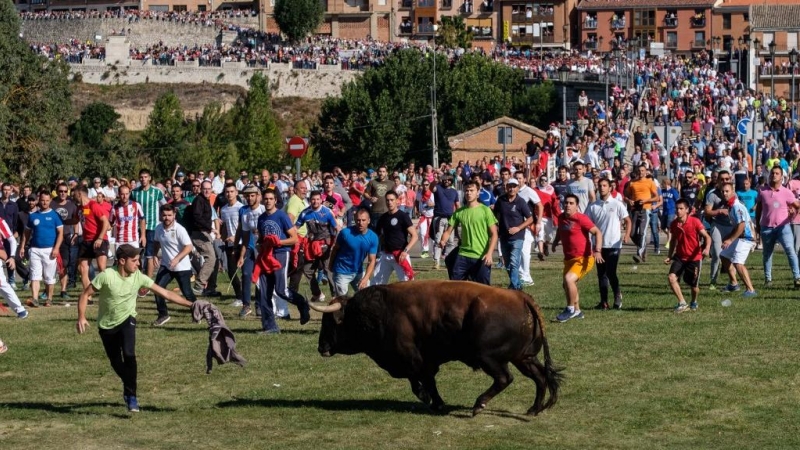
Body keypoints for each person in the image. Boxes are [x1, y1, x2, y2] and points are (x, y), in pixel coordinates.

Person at [76, 244, 193, 413]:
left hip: (127, 319)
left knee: (129, 355)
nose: (138, 264)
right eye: (135, 261)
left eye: (138, 260)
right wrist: (81, 316)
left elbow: (166, 293)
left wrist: (192, 304)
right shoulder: (107, 276)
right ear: (122, 261)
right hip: (106, 325)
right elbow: (85, 294)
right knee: (116, 362)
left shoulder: (139, 277)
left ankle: (131, 396)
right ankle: (129, 386)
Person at [254, 189, 310, 334]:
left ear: (275, 200)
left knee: (281, 290)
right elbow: (261, 238)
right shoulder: (261, 218)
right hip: (266, 256)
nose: (268, 201)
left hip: (280, 254)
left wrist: (278, 242)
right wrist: (259, 245)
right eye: (265, 198)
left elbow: (294, 238)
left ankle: (302, 304)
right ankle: (270, 326)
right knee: (264, 292)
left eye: (271, 198)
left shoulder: (282, 216)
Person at [551, 194, 603, 323]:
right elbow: (560, 230)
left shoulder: (581, 219)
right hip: (569, 259)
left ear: (577, 206)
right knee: (567, 284)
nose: (568, 205)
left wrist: (597, 251)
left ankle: (570, 309)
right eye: (566, 203)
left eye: (571, 203)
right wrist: (555, 241)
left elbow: (597, 232)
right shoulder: (561, 217)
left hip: (584, 258)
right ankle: (578, 311)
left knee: (569, 279)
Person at [439, 181, 498, 285]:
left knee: (483, 290)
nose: (469, 193)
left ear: (478, 192)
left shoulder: (485, 210)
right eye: (466, 190)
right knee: (455, 287)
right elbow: (448, 231)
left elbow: (494, 234)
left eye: (472, 190)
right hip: (463, 255)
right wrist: (443, 240)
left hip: (481, 256)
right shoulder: (459, 212)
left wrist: (489, 254)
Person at [586, 178, 631, 310]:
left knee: (611, 272)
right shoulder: (593, 206)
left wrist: (627, 235)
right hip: (599, 246)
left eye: (605, 185)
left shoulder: (617, 204)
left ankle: (617, 296)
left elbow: (628, 220)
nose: (602, 188)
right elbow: (586, 223)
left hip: (614, 244)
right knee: (601, 274)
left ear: (610, 188)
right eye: (600, 186)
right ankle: (604, 302)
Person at [151, 203, 197, 326]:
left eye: (169, 215)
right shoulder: (158, 228)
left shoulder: (179, 229)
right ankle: (163, 315)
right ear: (161, 215)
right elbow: (156, 242)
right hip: (166, 265)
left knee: (187, 293)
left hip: (182, 267)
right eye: (164, 215)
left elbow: (189, 247)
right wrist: (155, 254)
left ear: (174, 215)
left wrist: (177, 259)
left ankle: (197, 312)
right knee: (158, 289)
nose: (167, 218)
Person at [19, 191, 63, 307]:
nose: (44, 202)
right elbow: (26, 233)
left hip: (50, 250)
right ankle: (35, 299)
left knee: (49, 277)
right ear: (39, 200)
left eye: (47, 200)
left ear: (50, 201)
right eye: (43, 200)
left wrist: (56, 248)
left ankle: (49, 299)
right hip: (35, 250)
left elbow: (60, 233)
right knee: (35, 275)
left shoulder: (55, 215)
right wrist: (22, 246)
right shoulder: (33, 216)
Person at [667, 199, 712, 313]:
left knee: (694, 287)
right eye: (677, 209)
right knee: (671, 277)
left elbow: (707, 237)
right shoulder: (674, 224)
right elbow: (673, 241)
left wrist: (706, 249)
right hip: (680, 257)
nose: (678, 211)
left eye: (681, 209)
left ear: (687, 210)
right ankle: (682, 303)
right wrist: (670, 255)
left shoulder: (695, 222)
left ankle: (694, 301)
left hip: (694, 258)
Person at [292, 190, 338, 301]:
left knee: (328, 269)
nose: (315, 201)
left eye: (317, 199)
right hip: (312, 246)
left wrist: (335, 244)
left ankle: (335, 295)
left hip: (327, 245)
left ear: (321, 200)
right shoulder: (305, 213)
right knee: (307, 270)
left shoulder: (327, 212)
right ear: (309, 200)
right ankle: (317, 293)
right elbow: (295, 228)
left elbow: (336, 228)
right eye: (313, 199)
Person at [718, 182, 757, 297]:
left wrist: (730, 240)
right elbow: (736, 226)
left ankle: (750, 290)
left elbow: (741, 226)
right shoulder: (731, 206)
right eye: (723, 191)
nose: (724, 193)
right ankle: (734, 284)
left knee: (738, 263)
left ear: (733, 192)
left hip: (746, 238)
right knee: (724, 255)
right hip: (740, 237)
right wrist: (728, 237)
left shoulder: (736, 206)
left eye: (727, 191)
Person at [131, 169, 166, 296]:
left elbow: (165, 206)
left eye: (145, 177)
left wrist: (163, 222)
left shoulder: (157, 192)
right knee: (136, 256)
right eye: (141, 177)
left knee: (150, 256)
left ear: (150, 178)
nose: (143, 179)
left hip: (152, 226)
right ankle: (138, 281)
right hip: (137, 228)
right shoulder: (134, 193)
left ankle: (148, 284)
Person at [328, 208, 378, 296]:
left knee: (367, 296)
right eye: (358, 220)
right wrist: (331, 265)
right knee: (343, 301)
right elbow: (335, 249)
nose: (361, 223)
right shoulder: (345, 233)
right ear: (355, 220)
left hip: (358, 271)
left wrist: (366, 278)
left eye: (363, 220)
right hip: (341, 271)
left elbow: (372, 260)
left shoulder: (373, 237)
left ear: (369, 221)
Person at [493, 178, 533, 290]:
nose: (511, 188)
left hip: (517, 237)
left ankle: (514, 286)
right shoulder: (501, 200)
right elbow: (494, 214)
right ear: (506, 187)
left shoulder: (521, 202)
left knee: (514, 261)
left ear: (517, 188)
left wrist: (518, 228)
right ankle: (517, 284)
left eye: (514, 186)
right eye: (509, 186)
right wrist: (495, 225)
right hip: (504, 236)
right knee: (507, 264)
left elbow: (530, 219)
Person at [372, 190, 417, 285]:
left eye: (392, 200)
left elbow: (415, 236)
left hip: (400, 255)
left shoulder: (403, 216)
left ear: (397, 201)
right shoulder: (383, 218)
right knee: (376, 284)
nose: (389, 202)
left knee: (408, 286)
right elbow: (377, 236)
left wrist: (405, 251)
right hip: (386, 255)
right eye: (387, 200)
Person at [74, 186, 111, 295]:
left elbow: (105, 222)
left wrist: (100, 238)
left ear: (80, 194)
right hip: (86, 241)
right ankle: (88, 295)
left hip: (99, 240)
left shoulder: (93, 205)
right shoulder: (79, 208)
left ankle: (107, 292)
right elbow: (75, 220)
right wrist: (59, 220)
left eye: (74, 194)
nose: (73, 197)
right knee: (82, 268)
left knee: (101, 268)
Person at [235, 185, 264, 318]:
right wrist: (241, 255)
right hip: (250, 249)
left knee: (260, 277)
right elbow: (245, 236)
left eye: (252, 195)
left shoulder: (264, 210)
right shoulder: (244, 213)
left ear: (258, 196)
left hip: (264, 249)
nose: (250, 198)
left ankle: (259, 305)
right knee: (246, 274)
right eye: (247, 196)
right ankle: (246, 305)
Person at [704, 169, 734, 289]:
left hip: (731, 226)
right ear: (718, 180)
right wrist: (719, 211)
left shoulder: (733, 193)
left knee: (732, 255)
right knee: (716, 253)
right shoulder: (712, 194)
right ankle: (713, 280)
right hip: (717, 225)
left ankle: (733, 281)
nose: (724, 181)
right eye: (722, 179)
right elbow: (707, 212)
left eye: (727, 179)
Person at [625, 164, 661, 263]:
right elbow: (626, 196)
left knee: (642, 232)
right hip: (634, 209)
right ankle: (643, 248)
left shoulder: (650, 182)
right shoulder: (632, 183)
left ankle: (639, 253)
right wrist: (629, 201)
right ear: (636, 172)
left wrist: (646, 201)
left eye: (642, 170)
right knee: (632, 233)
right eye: (639, 170)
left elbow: (657, 197)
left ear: (646, 172)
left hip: (646, 209)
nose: (641, 172)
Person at [52, 182, 81, 299]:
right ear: (57, 192)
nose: (63, 193)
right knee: (49, 265)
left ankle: (63, 290)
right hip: (52, 237)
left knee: (64, 263)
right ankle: (47, 290)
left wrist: (76, 233)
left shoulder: (72, 205)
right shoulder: (52, 203)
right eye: (60, 191)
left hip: (66, 237)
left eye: (65, 191)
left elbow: (76, 220)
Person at [514, 172, 543, 286]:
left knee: (525, 251)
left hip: (528, 226)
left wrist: (539, 222)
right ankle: (525, 276)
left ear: (524, 179)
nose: (518, 180)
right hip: (517, 226)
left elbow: (540, 205)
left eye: (520, 178)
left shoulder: (529, 191)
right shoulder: (514, 191)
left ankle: (526, 275)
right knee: (519, 251)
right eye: (516, 178)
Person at [220, 184, 244, 305]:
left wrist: (237, 237)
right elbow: (224, 226)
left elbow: (244, 226)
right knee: (231, 271)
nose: (229, 194)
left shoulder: (242, 208)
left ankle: (247, 297)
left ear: (236, 192)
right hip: (230, 244)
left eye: (231, 191)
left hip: (242, 243)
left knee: (246, 272)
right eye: (227, 192)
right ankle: (239, 297)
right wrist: (223, 237)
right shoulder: (223, 209)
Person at [431, 175, 460, 270]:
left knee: (451, 241)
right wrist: (435, 180)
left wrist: (459, 216)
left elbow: (457, 205)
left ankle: (449, 260)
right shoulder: (438, 188)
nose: (446, 181)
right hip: (439, 217)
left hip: (450, 218)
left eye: (448, 180)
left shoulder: (454, 191)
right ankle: (436, 261)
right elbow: (431, 187)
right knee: (438, 239)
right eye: (445, 179)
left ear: (451, 181)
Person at [0, 216, 27, 318]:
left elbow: (12, 240)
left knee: (2, 284)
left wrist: (12, 257)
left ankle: (20, 310)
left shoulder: (0, 221)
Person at [110, 185, 146, 251]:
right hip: (120, 241)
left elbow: (142, 219)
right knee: (121, 261)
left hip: (133, 240)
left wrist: (143, 235)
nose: (125, 196)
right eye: (122, 194)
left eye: (126, 194)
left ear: (129, 194)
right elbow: (110, 223)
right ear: (119, 194)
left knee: (134, 260)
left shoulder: (136, 205)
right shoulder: (114, 208)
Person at [416, 181, 434, 258]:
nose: (425, 186)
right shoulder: (419, 194)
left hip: (431, 217)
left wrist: (432, 204)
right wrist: (417, 210)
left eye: (427, 184)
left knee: (432, 236)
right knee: (423, 233)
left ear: (429, 185)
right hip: (423, 216)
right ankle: (425, 251)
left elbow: (436, 203)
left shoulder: (432, 194)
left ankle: (434, 252)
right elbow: (416, 201)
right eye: (424, 184)